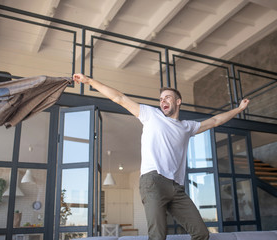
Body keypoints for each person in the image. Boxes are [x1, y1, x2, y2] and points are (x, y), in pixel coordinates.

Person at [73, 73, 250, 240]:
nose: (162, 101)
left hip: (177, 188)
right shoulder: (151, 115)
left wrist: (239, 109)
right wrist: (89, 81)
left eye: (167, 97)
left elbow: (215, 121)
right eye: (161, 99)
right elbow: (119, 98)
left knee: (201, 233)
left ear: (178, 101)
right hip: (153, 181)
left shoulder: (187, 127)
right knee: (158, 235)